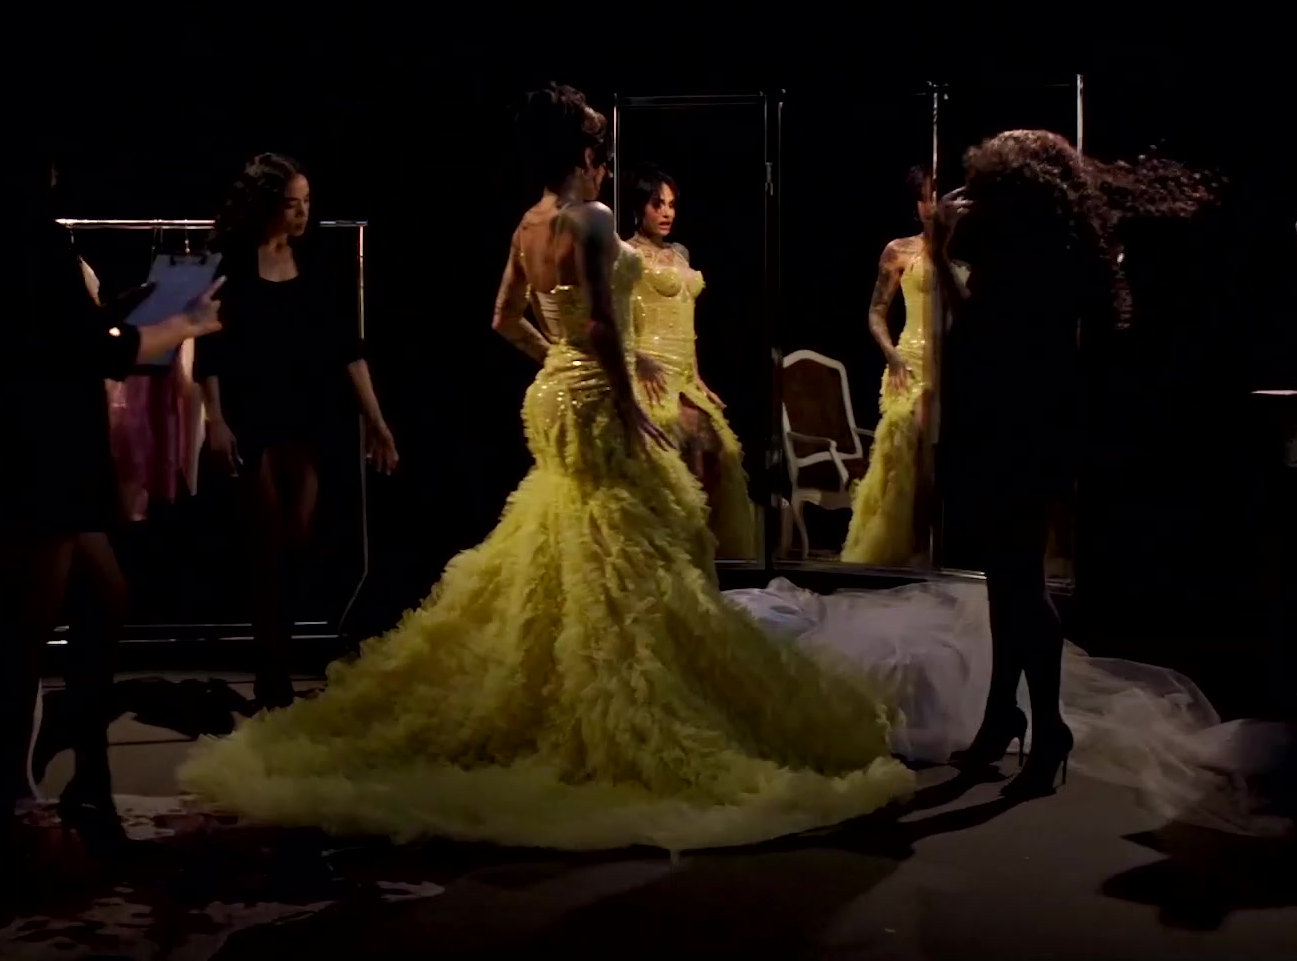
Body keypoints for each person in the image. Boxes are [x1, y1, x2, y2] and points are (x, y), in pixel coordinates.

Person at [180, 85, 911, 852]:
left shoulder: (527, 224)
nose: (605, 167)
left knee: (581, 533)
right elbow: (602, 326)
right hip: (596, 398)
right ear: (584, 155)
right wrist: (622, 393)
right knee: (629, 539)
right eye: (599, 152)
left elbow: (503, 318)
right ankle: (620, 695)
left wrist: (557, 362)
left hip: (555, 393)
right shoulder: (589, 218)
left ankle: (569, 681)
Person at [0, 154, 224, 857]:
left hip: (39, 465)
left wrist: (117, 316)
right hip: (30, 468)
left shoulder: (9, 239)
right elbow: (84, 349)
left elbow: (62, 335)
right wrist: (182, 324)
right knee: (21, 645)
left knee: (103, 596)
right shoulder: (18, 239)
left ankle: (87, 779)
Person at [941, 130, 1214, 797]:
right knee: (1006, 578)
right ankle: (1003, 716)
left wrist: (941, 246)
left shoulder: (1029, 264)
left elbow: (975, 329)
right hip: (1025, 421)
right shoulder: (1052, 251)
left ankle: (1048, 730)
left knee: (1018, 581)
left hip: (1019, 424)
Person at [196, 153, 399, 710]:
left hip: (306, 415)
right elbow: (208, 350)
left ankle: (278, 657)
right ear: (268, 206)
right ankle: (271, 672)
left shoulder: (317, 260)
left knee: (296, 541)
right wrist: (215, 419)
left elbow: (349, 349)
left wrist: (376, 421)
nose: (303, 213)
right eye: (292, 204)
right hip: (250, 414)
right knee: (265, 542)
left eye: (307, 202)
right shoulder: (232, 262)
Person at [619, 164, 757, 557]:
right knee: (685, 450)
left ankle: (705, 551)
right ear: (639, 207)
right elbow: (615, 318)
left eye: (672, 205)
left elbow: (687, 320)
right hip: (651, 371)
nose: (666, 213)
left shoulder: (679, 253)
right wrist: (637, 359)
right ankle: (677, 553)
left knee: (720, 451)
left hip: (683, 372)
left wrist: (697, 376)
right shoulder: (625, 253)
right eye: (657, 204)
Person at [840, 165, 960, 565]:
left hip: (953, 366)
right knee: (916, 439)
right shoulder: (900, 250)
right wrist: (892, 355)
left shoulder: (965, 251)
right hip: (909, 363)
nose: (931, 204)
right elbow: (876, 312)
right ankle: (914, 546)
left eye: (937, 195)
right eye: (924, 197)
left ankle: (944, 546)